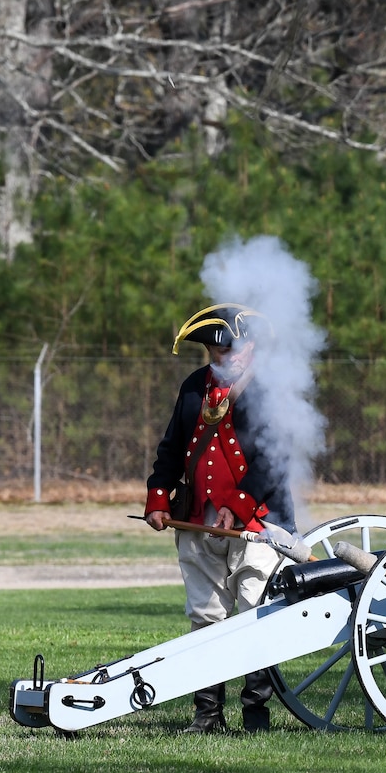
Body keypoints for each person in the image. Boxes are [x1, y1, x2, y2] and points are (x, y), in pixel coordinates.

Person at [143, 303, 296, 733]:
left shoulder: (268, 390)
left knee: (255, 613)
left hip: (257, 527)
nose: (217, 356)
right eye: (212, 349)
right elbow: (172, 447)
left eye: (226, 348)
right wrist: (159, 496)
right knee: (204, 616)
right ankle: (207, 715)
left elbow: (273, 461)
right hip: (197, 520)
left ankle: (256, 716)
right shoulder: (195, 386)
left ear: (250, 348)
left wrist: (237, 503)